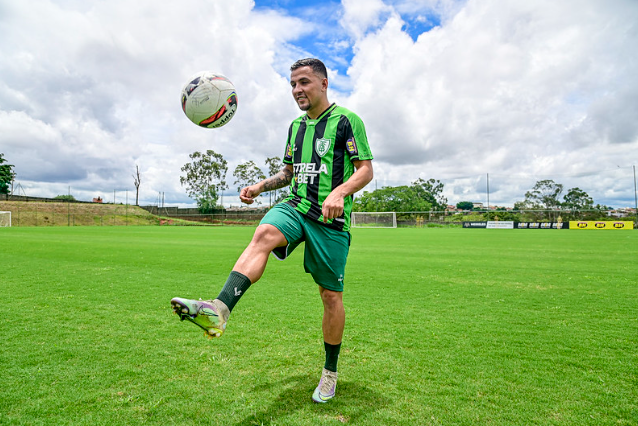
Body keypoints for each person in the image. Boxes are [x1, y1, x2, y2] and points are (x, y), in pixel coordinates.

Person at [171, 58, 374, 403]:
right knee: (263, 234)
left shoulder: (346, 121)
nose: (297, 90)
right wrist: (260, 187)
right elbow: (288, 173)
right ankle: (218, 309)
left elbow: (365, 170)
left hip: (331, 221)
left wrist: (340, 191)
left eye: (304, 82)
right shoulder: (295, 128)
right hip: (296, 206)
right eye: (293, 84)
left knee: (330, 297)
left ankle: (330, 371)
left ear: (324, 84)